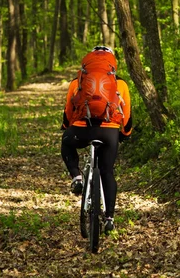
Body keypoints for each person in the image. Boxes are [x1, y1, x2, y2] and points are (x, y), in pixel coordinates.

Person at [60, 46, 132, 234]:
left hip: (82, 130)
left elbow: (68, 111)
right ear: (112, 64)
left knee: (66, 142)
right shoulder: (120, 84)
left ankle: (76, 177)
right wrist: (123, 134)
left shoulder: (78, 82)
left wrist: (68, 127)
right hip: (109, 132)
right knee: (107, 171)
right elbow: (127, 117)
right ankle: (109, 218)